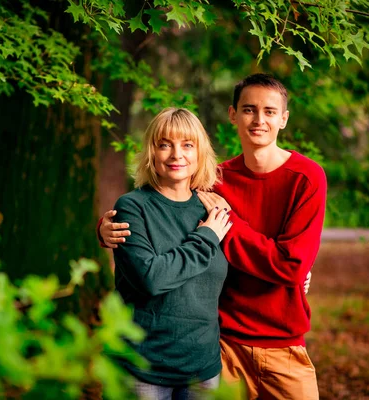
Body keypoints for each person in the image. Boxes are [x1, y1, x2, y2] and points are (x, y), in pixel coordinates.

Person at [100, 74, 326, 400]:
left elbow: (291, 265)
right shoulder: (215, 183)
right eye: (249, 109)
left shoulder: (307, 177)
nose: (259, 120)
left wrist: (232, 224)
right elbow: (165, 202)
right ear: (233, 115)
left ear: (284, 118)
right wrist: (106, 228)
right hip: (224, 344)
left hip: (283, 342)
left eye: (269, 111)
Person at [111, 107, 232, 399]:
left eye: (187, 145)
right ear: (152, 153)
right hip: (144, 369)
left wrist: (299, 275)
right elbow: (151, 277)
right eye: (165, 144)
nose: (177, 154)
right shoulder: (132, 207)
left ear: (200, 152)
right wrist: (206, 237)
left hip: (202, 370)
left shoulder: (213, 208)